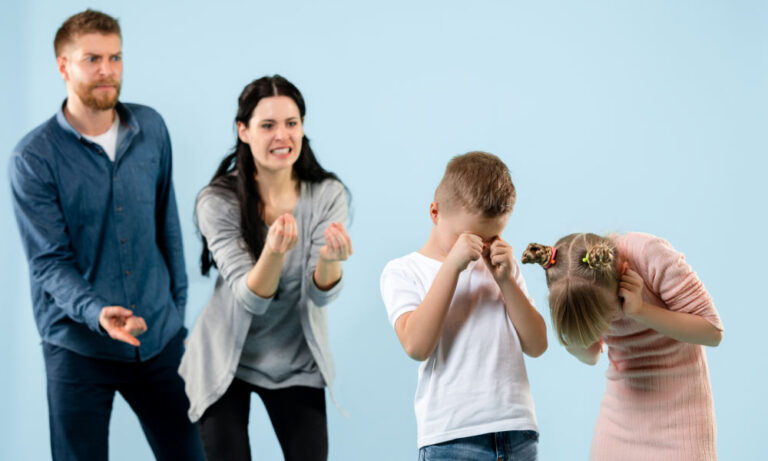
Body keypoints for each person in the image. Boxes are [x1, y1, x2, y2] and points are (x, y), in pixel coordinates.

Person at [8, 9, 203, 461]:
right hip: (77, 349)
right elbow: (49, 264)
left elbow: (165, 222)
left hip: (158, 337)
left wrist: (174, 310)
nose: (107, 71)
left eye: (115, 58)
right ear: (63, 66)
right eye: (92, 58)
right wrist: (97, 313)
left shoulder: (150, 128)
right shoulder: (34, 158)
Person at [179, 75, 352, 461]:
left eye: (291, 123)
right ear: (243, 131)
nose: (282, 136)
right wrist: (273, 252)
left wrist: (328, 260)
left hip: (295, 360)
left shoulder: (327, 194)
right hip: (226, 360)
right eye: (267, 125)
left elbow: (319, 294)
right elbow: (249, 299)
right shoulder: (217, 200)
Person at [380, 152, 547, 460]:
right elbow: (416, 345)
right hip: (452, 437)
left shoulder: (502, 270)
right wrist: (452, 267)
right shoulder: (403, 271)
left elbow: (537, 345)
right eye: (466, 237)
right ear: (434, 212)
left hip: (517, 431)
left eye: (492, 237)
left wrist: (507, 281)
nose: (481, 248)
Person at [522, 232, 723, 460]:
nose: (609, 325)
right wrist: (572, 331)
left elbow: (712, 332)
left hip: (682, 419)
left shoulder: (648, 254)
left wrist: (640, 311)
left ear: (623, 273)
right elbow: (591, 357)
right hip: (618, 420)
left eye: (609, 315)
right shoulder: (575, 289)